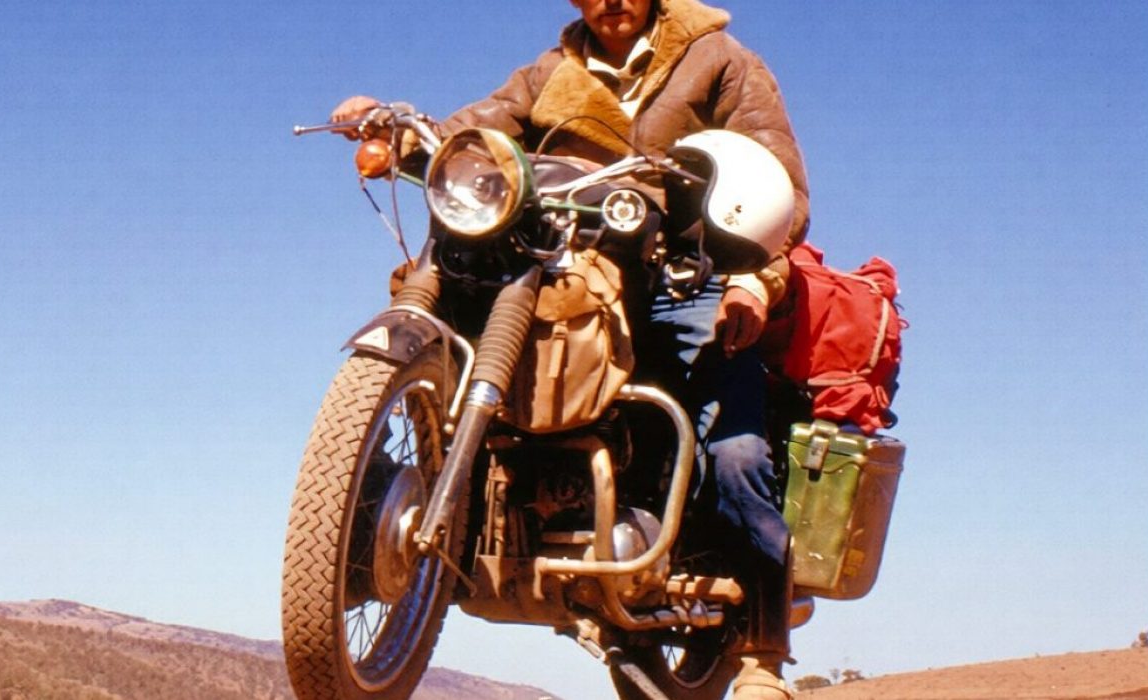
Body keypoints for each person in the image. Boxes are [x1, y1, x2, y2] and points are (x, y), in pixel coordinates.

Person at [333, 1, 809, 697]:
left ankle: (765, 647)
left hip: (681, 267)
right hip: (575, 260)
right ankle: (349, 545)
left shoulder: (718, 60)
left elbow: (778, 180)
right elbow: (477, 129)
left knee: (733, 448)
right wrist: (397, 131)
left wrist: (755, 280)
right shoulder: (551, 72)